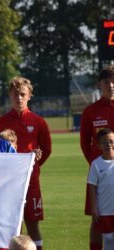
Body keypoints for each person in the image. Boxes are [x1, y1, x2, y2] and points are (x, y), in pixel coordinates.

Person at [0, 77, 52, 250]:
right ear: (9, 96)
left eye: (22, 94)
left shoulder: (38, 121)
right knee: (13, 227)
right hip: (8, 183)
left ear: (29, 96)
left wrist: (32, 168)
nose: (18, 98)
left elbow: (46, 150)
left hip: (31, 182)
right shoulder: (1, 122)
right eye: (15, 95)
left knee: (33, 226)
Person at [80, 65, 114, 250]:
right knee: (97, 217)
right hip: (100, 174)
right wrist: (98, 166)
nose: (111, 85)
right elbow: (85, 143)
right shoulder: (90, 111)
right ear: (99, 84)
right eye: (107, 82)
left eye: (113, 82)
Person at [88, 129, 114, 250]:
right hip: (105, 209)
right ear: (98, 145)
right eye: (104, 142)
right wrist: (93, 208)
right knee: (108, 238)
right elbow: (92, 186)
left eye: (111, 141)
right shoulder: (96, 164)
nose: (108, 144)